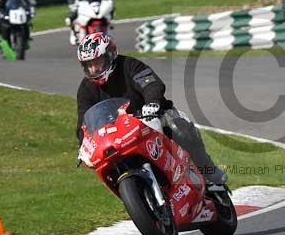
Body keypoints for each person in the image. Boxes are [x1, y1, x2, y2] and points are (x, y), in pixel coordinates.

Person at [74, 33, 229, 194]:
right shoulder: (86, 89)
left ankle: (209, 171)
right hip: (119, 134)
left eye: (97, 62)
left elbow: (151, 84)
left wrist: (152, 103)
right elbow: (83, 122)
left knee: (179, 128)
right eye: (88, 65)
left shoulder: (129, 65)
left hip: (152, 116)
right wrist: (83, 144)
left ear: (110, 54)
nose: (94, 69)